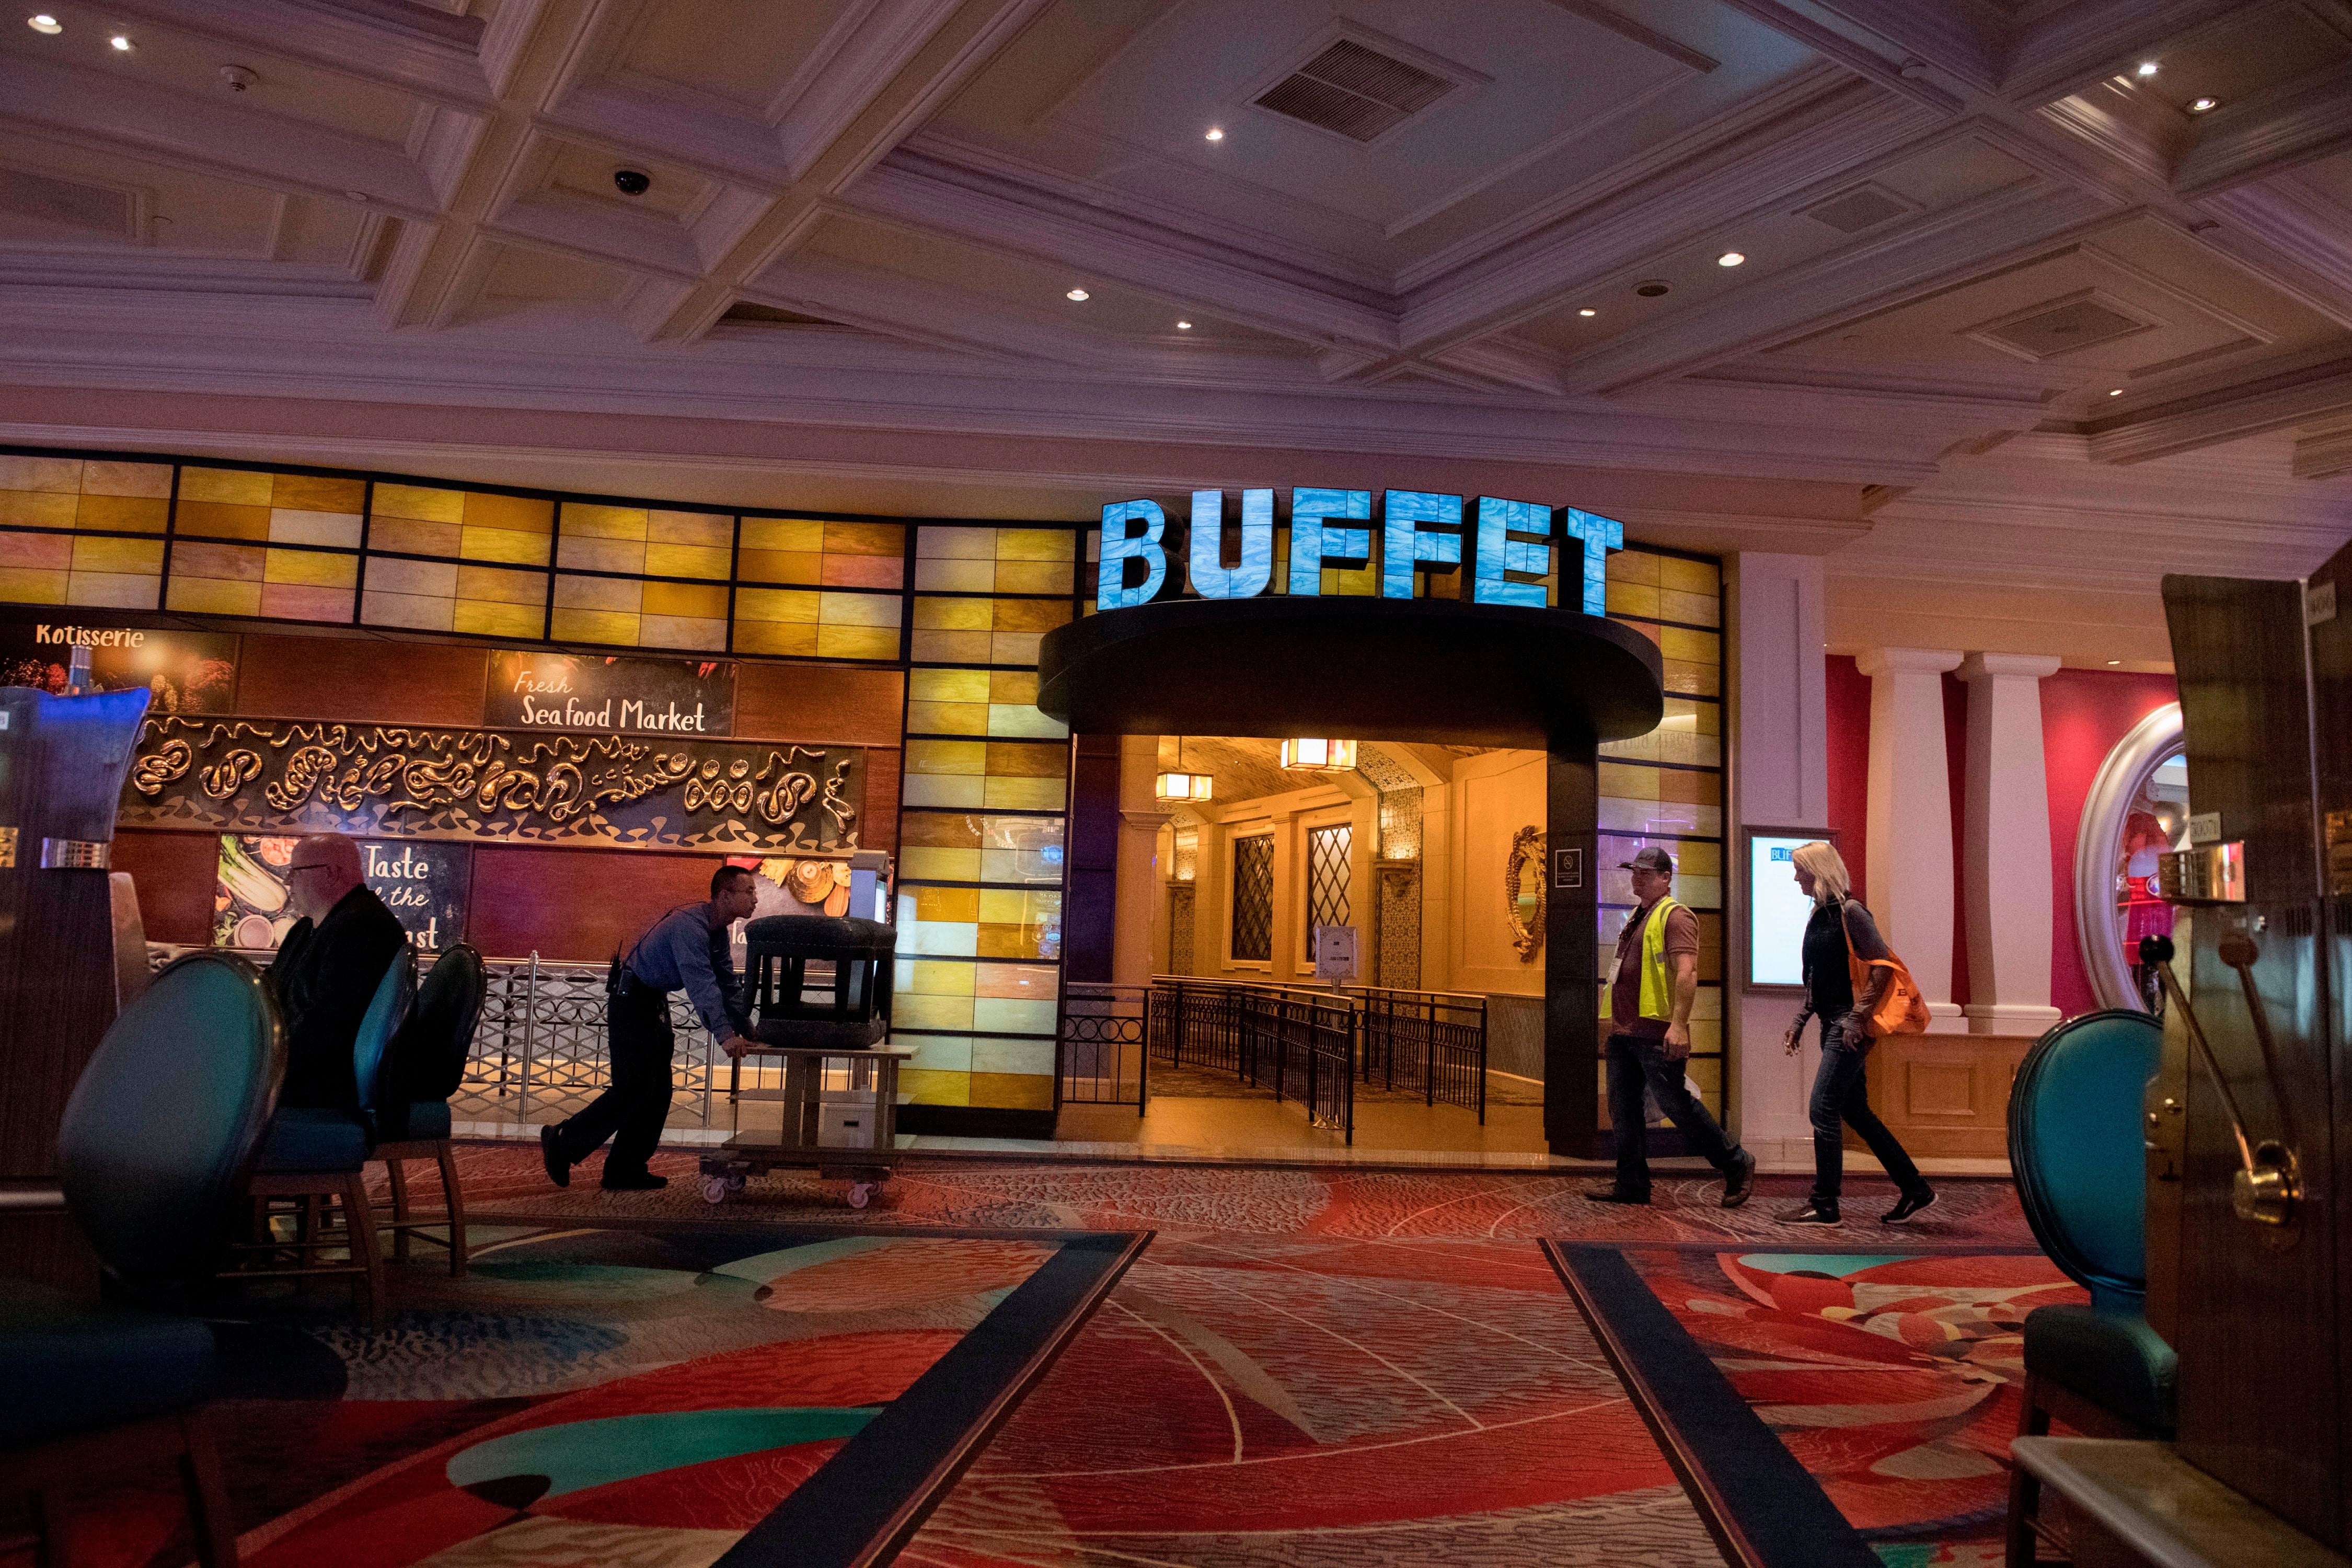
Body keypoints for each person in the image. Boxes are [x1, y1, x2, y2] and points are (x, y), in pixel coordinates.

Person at [541, 864, 759, 1191]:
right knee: (633, 1088)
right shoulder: (691, 927)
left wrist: (750, 1030)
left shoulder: (716, 932)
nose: (756, 899)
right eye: (749, 892)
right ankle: (563, 1140)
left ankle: (623, 1169)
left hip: (651, 999)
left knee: (657, 1093)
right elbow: (702, 986)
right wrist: (726, 1036)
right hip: (631, 999)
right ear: (725, 895)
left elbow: (727, 984)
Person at [1587, 846, 1756, 1208]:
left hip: (1656, 1031)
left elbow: (1687, 972)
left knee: (1677, 1105)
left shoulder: (1675, 916)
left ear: (1666, 878)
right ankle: (1632, 1183)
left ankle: (1735, 1162)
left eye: (1646, 873)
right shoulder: (1638, 915)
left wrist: (1678, 1026)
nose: (1637, 877)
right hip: (1625, 1032)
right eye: (1635, 871)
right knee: (1624, 1108)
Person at [1780, 840, 1934, 1226]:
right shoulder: (1820, 915)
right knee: (1855, 1112)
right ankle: (1915, 1188)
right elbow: (1818, 978)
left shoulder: (1852, 913)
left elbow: (1883, 967)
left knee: (1822, 1108)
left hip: (1848, 1028)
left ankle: (1826, 1203)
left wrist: (1856, 1018)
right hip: (1831, 1023)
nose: (1795, 876)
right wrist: (1801, 1019)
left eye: (1801, 869)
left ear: (1819, 870)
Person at [271, 833, 408, 1110]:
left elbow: (329, 1026)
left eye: (295, 872)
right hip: (303, 1068)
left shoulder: (364, 928)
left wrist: (264, 1061)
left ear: (332, 873)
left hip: (328, 1084)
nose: (288, 881)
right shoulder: (308, 927)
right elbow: (273, 987)